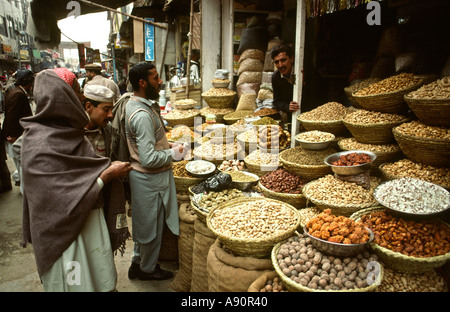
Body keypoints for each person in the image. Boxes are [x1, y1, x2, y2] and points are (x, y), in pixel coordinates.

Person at [20, 67, 132, 292]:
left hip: (89, 226)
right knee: (74, 283)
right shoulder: (38, 142)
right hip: (63, 237)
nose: (81, 97)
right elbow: (54, 199)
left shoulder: (72, 134)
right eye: (76, 91)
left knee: (99, 279)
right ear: (62, 97)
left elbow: (82, 178)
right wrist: (106, 175)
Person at [125, 61, 184, 281]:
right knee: (151, 228)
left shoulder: (136, 104)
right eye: (156, 78)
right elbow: (148, 158)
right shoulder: (141, 114)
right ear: (142, 83)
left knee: (144, 224)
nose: (160, 82)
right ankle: (147, 269)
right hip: (149, 180)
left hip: (145, 178)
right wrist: (173, 154)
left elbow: (148, 145)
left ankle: (137, 262)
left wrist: (167, 145)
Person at [1, 69, 34, 186]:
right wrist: (13, 136)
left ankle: (19, 180)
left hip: (14, 134)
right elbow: (12, 117)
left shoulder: (15, 91)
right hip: (14, 136)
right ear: (28, 82)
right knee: (21, 165)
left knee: (20, 164)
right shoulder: (18, 94)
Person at [270, 44, 300, 122]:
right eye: (276, 62)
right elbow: (276, 101)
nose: (280, 65)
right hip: (292, 116)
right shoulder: (276, 77)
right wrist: (287, 106)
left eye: (283, 60)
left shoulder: (301, 72)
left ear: (291, 59)